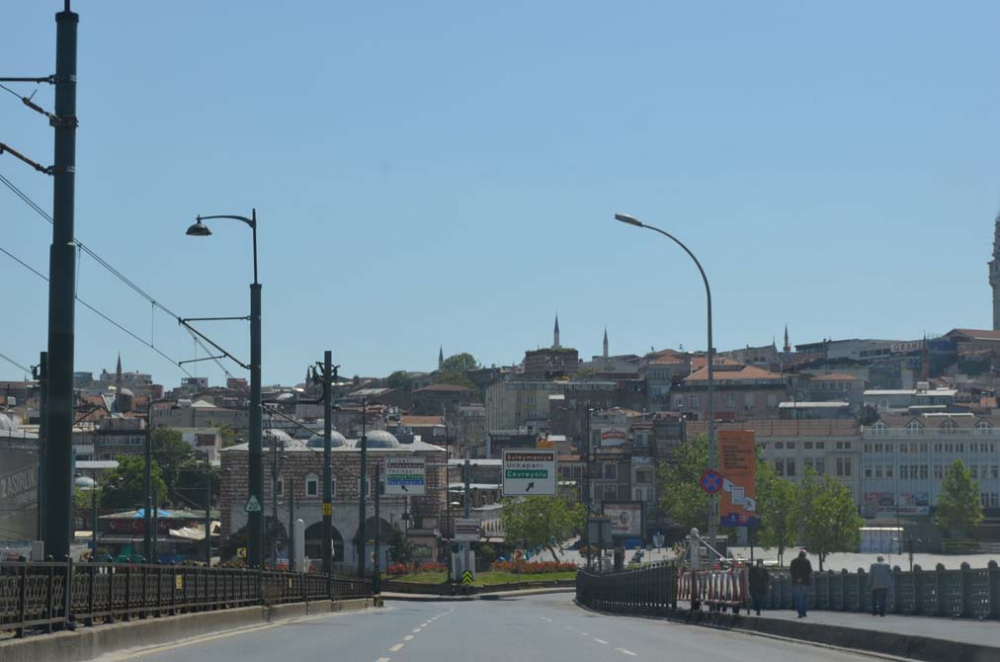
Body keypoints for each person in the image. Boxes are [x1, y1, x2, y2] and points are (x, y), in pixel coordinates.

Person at [789, 550, 813, 618]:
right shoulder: (807, 561)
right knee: (805, 598)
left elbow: (791, 571)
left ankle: (800, 612)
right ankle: (804, 612)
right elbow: (809, 571)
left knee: (798, 599)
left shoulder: (793, 561)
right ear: (805, 555)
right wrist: (803, 578)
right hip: (805, 582)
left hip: (796, 583)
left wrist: (797, 579)